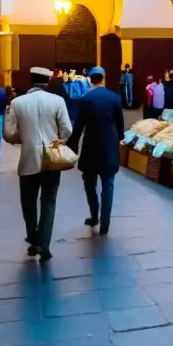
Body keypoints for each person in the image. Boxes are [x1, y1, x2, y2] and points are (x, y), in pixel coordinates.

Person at [5, 66, 72, 261]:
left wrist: (24, 139)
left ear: (31, 80)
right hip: (52, 158)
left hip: (28, 158)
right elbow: (67, 130)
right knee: (49, 201)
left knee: (28, 201)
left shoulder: (17, 103)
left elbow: (8, 134)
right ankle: (44, 243)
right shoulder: (58, 101)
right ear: (48, 81)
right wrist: (58, 140)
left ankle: (33, 238)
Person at [68, 66, 124, 235]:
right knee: (108, 185)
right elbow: (120, 125)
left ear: (91, 79)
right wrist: (118, 139)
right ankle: (105, 224)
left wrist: (72, 145)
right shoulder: (115, 98)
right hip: (109, 147)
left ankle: (94, 216)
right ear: (104, 78)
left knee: (89, 184)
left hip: (90, 147)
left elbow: (78, 126)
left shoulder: (86, 99)